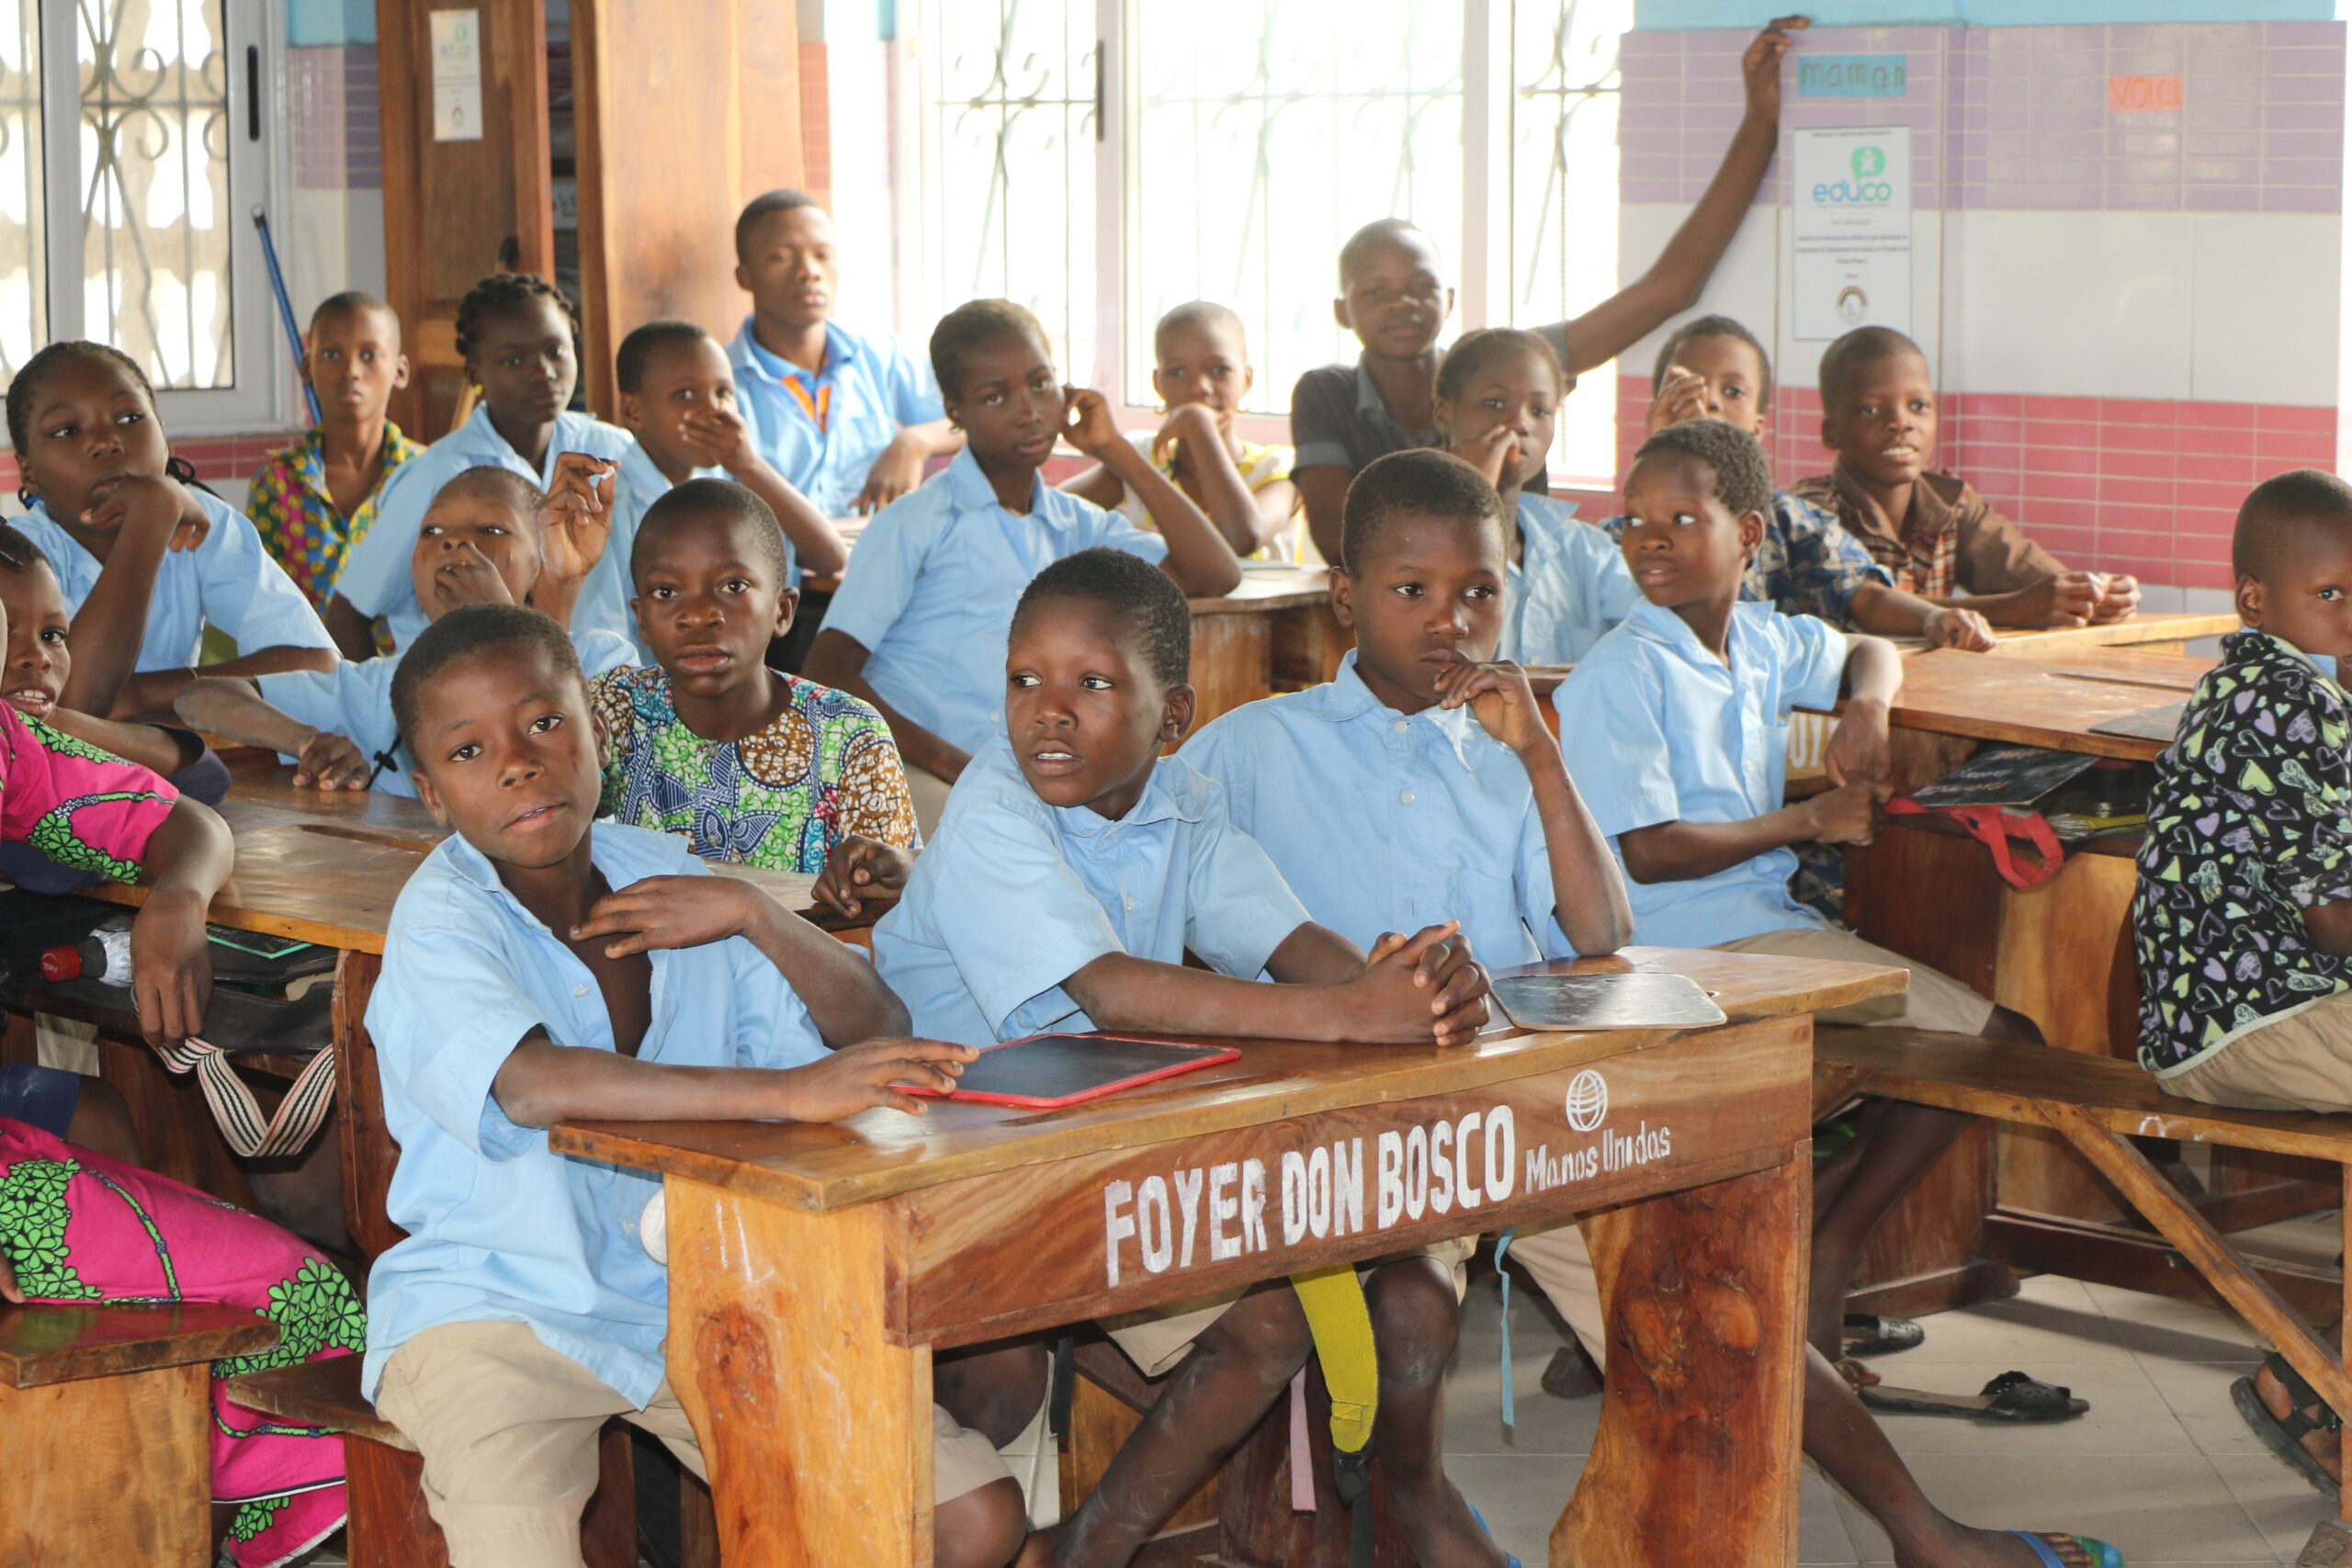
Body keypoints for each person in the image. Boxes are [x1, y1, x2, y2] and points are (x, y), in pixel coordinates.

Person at [358, 601, 1023, 1568]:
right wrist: (786, 1095)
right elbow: (533, 1086)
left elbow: (875, 1032)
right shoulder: (443, 918)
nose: (517, 762)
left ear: (598, 732)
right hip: (497, 1311)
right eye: (468, 752)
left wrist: (759, 916)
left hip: (700, 1297)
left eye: (545, 723)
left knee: (970, 1518)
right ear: (429, 794)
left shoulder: (673, 878)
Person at [865, 547, 1487, 1568]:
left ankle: (1087, 1550)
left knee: (1273, 1319)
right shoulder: (993, 809)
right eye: (1025, 680)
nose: (1048, 712)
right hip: (951, 1159)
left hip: (1092, 1140)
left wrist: (1403, 987)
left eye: (1091, 683)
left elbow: (1294, 947)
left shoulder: (1185, 803)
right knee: (1015, 1370)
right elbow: (1108, 989)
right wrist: (1349, 1016)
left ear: (1172, 717)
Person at [1181, 448, 1627, 1565]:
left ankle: (1909, 1528)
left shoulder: (1506, 755)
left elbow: (1599, 935)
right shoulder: (1251, 747)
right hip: (1365, 1121)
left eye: (1479, 592)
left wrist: (1542, 762)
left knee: (1698, 1295)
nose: (1450, 622)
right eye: (1411, 590)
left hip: (1522, 1112)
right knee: (1416, 1299)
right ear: (1344, 598)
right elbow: (1176, 903)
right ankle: (1409, 1505)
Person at [1543, 418, 2049, 1374]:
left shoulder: (1762, 640)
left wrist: (1867, 704)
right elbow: (1646, 855)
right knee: (1998, 1048)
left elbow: (1869, 652)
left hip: (1768, 934)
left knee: (1944, 1059)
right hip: (1677, 950)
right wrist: (1808, 823)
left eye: (1679, 518)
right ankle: (1818, 1253)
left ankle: (1808, 1249)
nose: (1648, 539)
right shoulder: (1625, 668)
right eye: (1634, 520)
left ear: (1747, 536)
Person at [1288, 15, 1811, 560]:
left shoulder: (1511, 365)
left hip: (1532, 603)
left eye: (1421, 286)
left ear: (1448, 300)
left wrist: (1760, 122)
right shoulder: (1329, 393)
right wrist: (1462, 477)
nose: (1401, 303)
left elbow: (1669, 288)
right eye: (1375, 291)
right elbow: (1336, 540)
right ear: (1341, 310)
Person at [804, 299, 1242, 829]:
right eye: (995, 396)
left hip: (1028, 777)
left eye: (1041, 384)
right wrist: (950, 765)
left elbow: (1215, 573)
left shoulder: (1076, 524)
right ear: (955, 411)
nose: (1028, 410)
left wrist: (1114, 451)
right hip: (916, 770)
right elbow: (828, 669)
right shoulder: (918, 521)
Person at [2132, 470, 2352, 1495]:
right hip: (2252, 1020)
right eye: (2332, 594)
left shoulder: (2236, 680)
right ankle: (2317, 1383)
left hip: (2206, 1018)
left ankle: (2310, 1382)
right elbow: (2331, 919)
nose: (2351, 614)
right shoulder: (2300, 703)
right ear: (2255, 599)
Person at [0, 1116, 362, 1568]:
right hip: (24, 1207)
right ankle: (196, 1545)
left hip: (21, 1172)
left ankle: (207, 1529)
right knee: (298, 1284)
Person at [174, 463, 630, 798]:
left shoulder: (603, 660)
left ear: (542, 563)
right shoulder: (384, 683)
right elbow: (201, 698)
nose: (453, 542)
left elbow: (595, 774)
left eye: (491, 528)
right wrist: (306, 741)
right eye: (432, 531)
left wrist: (494, 624)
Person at [1608, 314, 1994, 649]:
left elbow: (1864, 595)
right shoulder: (1611, 543)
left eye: (1732, 391)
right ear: (1655, 409)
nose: (1707, 402)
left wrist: (1929, 619)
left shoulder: (1790, 521)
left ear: (1758, 429)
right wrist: (1659, 453)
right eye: (1686, 386)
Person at [594, 478, 918, 872]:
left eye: (733, 586)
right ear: (641, 618)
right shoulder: (617, 708)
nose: (698, 616)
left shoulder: (851, 740)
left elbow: (887, 913)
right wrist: (561, 585)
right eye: (665, 592)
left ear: (782, 611)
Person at [5, 342, 337, 718]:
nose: (105, 443)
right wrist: (150, 518)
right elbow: (71, 707)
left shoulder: (204, 521)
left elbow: (318, 663)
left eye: (129, 419)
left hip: (175, 757)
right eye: (67, 430)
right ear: (28, 470)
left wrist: (139, 696)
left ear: (163, 435)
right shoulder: (16, 559)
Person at [326, 272, 634, 656]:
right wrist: (388, 709)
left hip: (600, 691)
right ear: (475, 374)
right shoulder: (438, 476)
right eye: (513, 360)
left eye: (555, 350)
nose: (542, 371)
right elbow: (346, 615)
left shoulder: (611, 451)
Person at [1792, 326, 2140, 628]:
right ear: (1831, 432)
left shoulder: (1949, 502)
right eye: (1870, 410)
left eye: (1918, 406)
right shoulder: (1808, 512)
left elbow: (2033, 577)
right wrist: (2013, 609)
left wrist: (2094, 593)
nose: (1900, 423)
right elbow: (1868, 608)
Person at [588, 319, 847, 660]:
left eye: (723, 393)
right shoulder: (609, 504)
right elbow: (599, 644)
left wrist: (749, 465)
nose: (712, 410)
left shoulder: (729, 482)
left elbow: (829, 557)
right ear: (634, 411)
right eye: (684, 395)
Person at [0, 522, 229, 889]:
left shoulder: (37, 760)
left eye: (52, 636)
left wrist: (54, 725)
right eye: (3, 630)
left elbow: (201, 780)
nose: (38, 657)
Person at [729, 188, 962, 518]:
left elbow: (974, 421)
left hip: (880, 561)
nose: (809, 271)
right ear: (745, 277)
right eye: (781, 256)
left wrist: (914, 442)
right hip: (775, 568)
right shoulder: (722, 381)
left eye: (823, 255)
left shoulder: (880, 356)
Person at [1430, 330, 1636, 662]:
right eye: (1495, 403)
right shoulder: (1410, 547)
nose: (1519, 423)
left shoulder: (1587, 554)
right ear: (1444, 414)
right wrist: (1470, 497)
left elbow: (1654, 641)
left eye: (1539, 411)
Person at [1059, 300, 1299, 558]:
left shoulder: (1279, 468)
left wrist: (1198, 424)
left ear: (1247, 380)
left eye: (1219, 369)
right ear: (1157, 383)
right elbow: (1050, 516)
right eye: (1177, 371)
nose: (1200, 386)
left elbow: (1240, 539)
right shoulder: (1142, 458)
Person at [250, 290, 424, 614]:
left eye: (369, 355)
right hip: (309, 663)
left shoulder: (428, 475)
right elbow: (261, 604)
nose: (351, 371)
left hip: (410, 663)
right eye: (331, 354)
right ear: (306, 368)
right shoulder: (277, 484)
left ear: (400, 371)